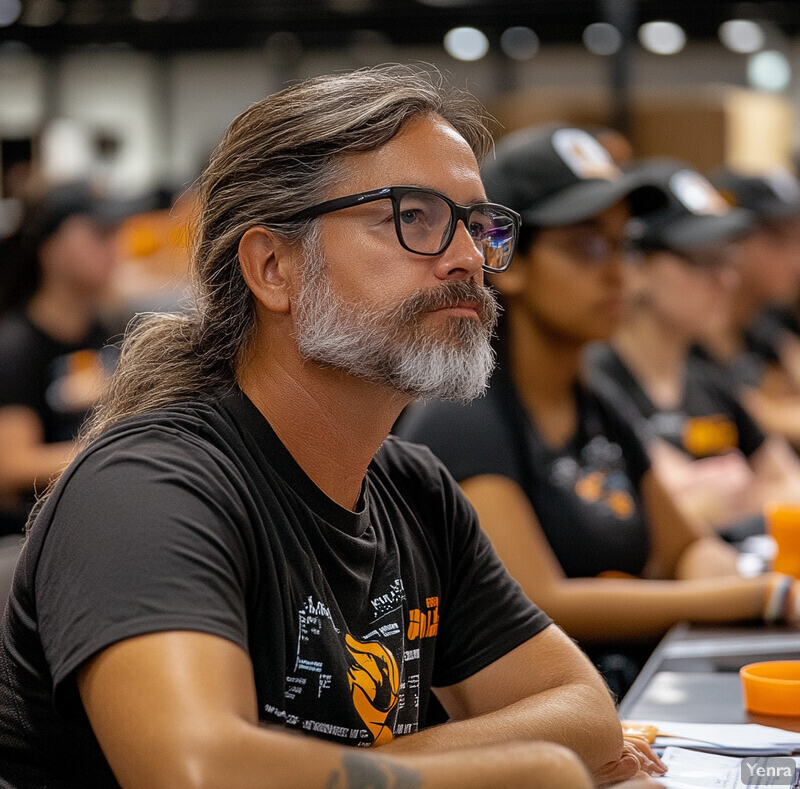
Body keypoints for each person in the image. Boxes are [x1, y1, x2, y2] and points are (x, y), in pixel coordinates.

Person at [0, 67, 663, 789]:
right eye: (412, 216)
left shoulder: (413, 488)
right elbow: (197, 774)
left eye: (477, 224)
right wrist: (522, 768)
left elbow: (586, 717)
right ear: (274, 266)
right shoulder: (148, 490)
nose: (470, 257)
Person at [396, 123, 799, 699]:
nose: (617, 272)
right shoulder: (463, 416)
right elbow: (541, 599)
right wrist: (764, 596)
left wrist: (728, 582)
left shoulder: (595, 401)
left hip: (635, 699)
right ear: (509, 261)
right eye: (586, 246)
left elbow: (686, 545)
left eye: (622, 245)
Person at [585, 158, 800, 541]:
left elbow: (791, 487)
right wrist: (738, 488)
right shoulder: (598, 381)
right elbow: (653, 518)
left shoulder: (710, 379)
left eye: (727, 256)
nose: (726, 279)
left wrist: (720, 498)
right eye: (703, 259)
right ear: (638, 268)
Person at [0, 181, 126, 537]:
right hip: (41, 533)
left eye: (115, 234)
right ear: (52, 249)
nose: (114, 248)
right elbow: (10, 465)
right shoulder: (15, 346)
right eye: (100, 234)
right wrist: (118, 449)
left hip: (103, 509)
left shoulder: (112, 329)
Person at [702, 166, 800, 447]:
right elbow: (751, 416)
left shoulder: (766, 327)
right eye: (780, 240)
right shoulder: (697, 331)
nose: (797, 261)